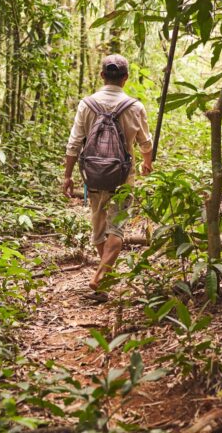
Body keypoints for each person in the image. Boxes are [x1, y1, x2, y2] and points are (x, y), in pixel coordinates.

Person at [63, 54, 154, 296]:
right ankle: (102, 276)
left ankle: (102, 281)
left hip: (92, 176)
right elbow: (146, 143)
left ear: (102, 75)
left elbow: (74, 143)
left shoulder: (87, 104)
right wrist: (147, 162)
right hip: (123, 177)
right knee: (117, 228)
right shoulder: (135, 107)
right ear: (125, 78)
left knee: (99, 227)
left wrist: (68, 175)